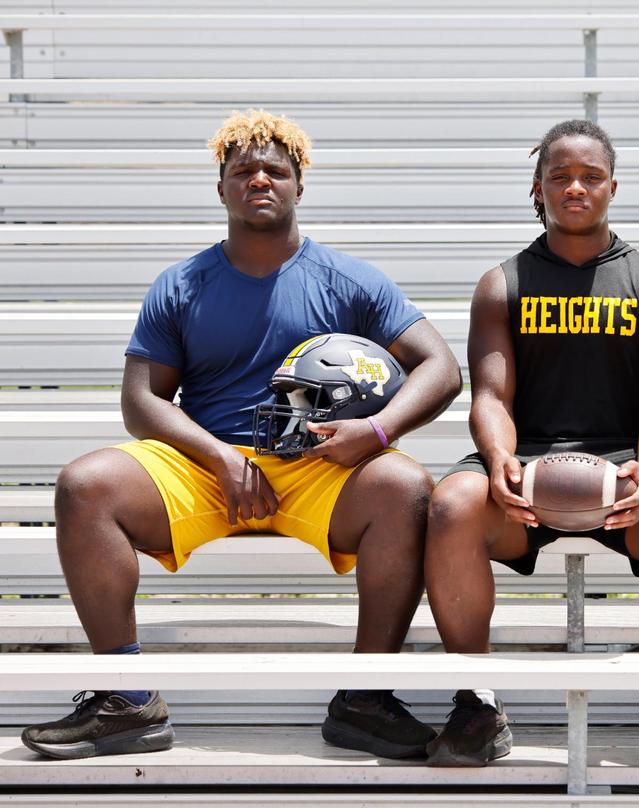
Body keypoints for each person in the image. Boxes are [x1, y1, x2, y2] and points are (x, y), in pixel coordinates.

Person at [21, 109, 462, 761]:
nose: (260, 178)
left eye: (275, 170)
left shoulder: (349, 279)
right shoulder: (181, 284)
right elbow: (142, 402)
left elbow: (442, 367)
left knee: (404, 484)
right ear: (221, 187)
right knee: (86, 484)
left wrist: (374, 431)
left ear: (298, 186)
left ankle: (365, 697)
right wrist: (220, 456)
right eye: (243, 170)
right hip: (209, 464)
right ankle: (126, 696)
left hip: (317, 466)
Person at [423, 120, 639, 769]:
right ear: (536, 188)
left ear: (613, 187)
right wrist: (500, 459)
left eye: (590, 176)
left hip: (627, 465)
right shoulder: (502, 284)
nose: (575, 187)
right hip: (529, 462)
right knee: (452, 503)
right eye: (560, 176)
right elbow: (491, 397)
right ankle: (475, 702)